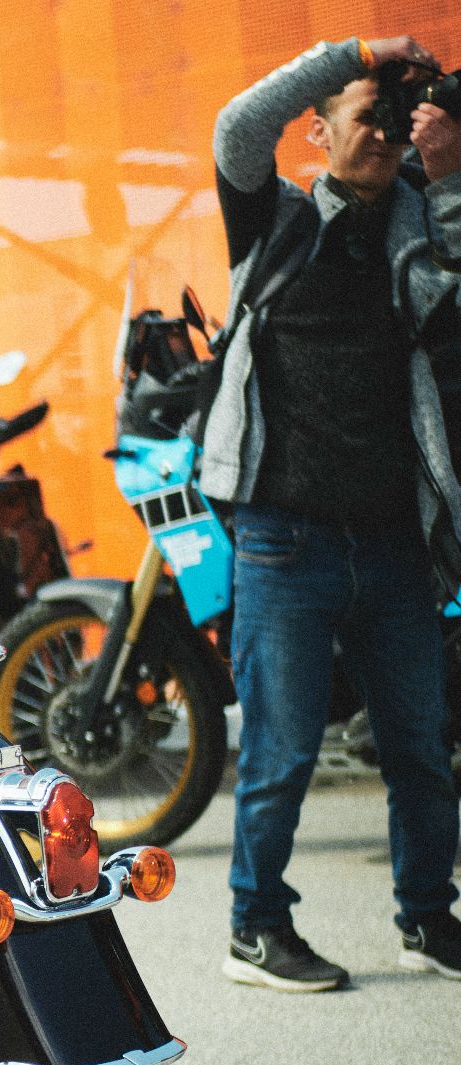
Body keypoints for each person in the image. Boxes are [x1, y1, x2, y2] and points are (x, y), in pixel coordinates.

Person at [206, 35, 461, 991]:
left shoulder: (418, 221)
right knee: (279, 754)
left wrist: (443, 177)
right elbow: (239, 125)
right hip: (285, 541)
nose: (386, 136)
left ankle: (429, 921)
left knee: (422, 753)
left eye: (398, 123)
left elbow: (453, 303)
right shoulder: (271, 219)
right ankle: (253, 930)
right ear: (318, 131)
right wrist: (353, 55)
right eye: (368, 117)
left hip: (397, 542)